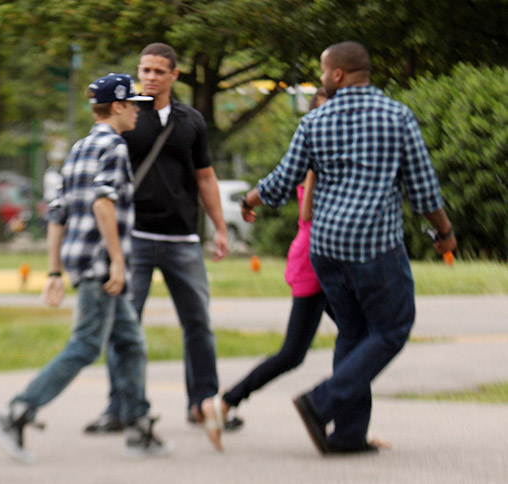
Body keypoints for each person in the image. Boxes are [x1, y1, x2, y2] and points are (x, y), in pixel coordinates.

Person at [238, 41, 457, 455]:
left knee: (353, 334)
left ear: (337, 74)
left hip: (326, 249)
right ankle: (323, 402)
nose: (322, 79)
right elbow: (425, 194)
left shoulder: (316, 120)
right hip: (373, 247)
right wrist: (445, 234)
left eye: (322, 71)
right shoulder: (398, 117)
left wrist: (248, 201)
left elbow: (283, 182)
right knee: (392, 328)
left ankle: (347, 435)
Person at [0, 73, 171, 463]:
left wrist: (54, 271)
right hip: (102, 266)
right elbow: (104, 203)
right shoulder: (114, 148)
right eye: (133, 103)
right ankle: (16, 412)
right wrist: (118, 261)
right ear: (118, 107)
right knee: (86, 345)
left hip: (81, 261)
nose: (139, 110)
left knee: (130, 342)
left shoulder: (79, 148)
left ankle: (137, 426)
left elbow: (57, 214)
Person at [84, 42, 242, 434]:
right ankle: (120, 408)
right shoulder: (127, 115)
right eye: (145, 70)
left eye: (158, 71)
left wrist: (220, 228)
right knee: (125, 325)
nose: (150, 78)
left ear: (174, 75)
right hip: (134, 236)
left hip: (182, 239)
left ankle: (203, 404)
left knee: (198, 325)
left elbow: (205, 176)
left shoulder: (191, 121)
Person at [198, 90, 331, 451]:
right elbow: (306, 214)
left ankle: (349, 425)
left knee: (355, 337)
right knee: (295, 352)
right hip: (315, 258)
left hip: (318, 255)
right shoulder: (318, 158)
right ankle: (225, 402)